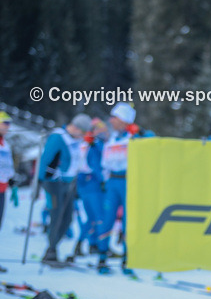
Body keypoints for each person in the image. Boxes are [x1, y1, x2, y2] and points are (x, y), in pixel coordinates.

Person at [97, 103, 150, 275]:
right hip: (112, 182)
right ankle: (102, 258)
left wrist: (140, 132)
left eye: (115, 117)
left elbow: (152, 140)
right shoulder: (111, 138)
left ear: (125, 120)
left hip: (129, 182)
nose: (111, 120)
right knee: (107, 219)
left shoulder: (135, 136)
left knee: (129, 222)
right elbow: (103, 162)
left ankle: (127, 259)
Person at [38, 113, 90, 263]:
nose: (82, 136)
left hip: (68, 184)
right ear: (76, 127)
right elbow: (45, 160)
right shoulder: (58, 137)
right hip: (54, 183)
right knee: (56, 216)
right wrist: (40, 182)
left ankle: (53, 247)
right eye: (82, 132)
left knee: (67, 219)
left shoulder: (75, 140)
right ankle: (51, 251)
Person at [74, 118, 107, 257]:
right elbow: (95, 165)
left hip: (85, 184)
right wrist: (102, 181)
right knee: (99, 217)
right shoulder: (92, 144)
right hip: (92, 184)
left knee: (92, 217)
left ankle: (89, 244)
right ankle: (100, 246)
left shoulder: (85, 143)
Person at [0, 112, 14, 235]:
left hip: (2, 188)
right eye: (5, 123)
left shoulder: (5, 143)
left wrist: (12, 180)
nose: (7, 126)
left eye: (9, 123)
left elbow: (8, 164)